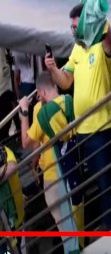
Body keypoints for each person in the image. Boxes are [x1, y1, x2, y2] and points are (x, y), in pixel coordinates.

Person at [45, 0, 111, 230]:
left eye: (76, 26)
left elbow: (109, 37)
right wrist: (53, 69)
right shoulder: (77, 49)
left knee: (105, 179)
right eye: (71, 27)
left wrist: (97, 10)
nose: (73, 31)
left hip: (101, 127)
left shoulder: (101, 46)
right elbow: (65, 81)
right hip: (82, 128)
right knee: (99, 180)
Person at [18, 72, 81, 254]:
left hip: (54, 175)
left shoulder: (40, 111)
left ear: (41, 92)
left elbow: (27, 142)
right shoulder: (68, 100)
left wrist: (23, 113)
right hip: (72, 165)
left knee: (64, 226)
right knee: (75, 218)